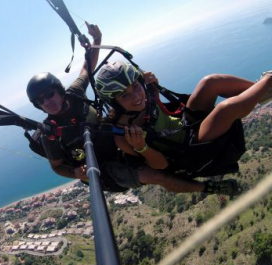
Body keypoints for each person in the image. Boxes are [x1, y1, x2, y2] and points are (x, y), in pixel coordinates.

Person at [26, 25, 241, 195]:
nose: (47, 102)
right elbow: (56, 166)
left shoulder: (74, 94)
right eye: (40, 101)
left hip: (117, 140)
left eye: (49, 94)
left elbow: (87, 69)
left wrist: (97, 41)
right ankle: (209, 188)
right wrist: (74, 172)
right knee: (155, 175)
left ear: (59, 90)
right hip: (105, 166)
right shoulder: (50, 132)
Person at [95, 60, 272, 188]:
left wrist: (153, 84)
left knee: (210, 82)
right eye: (124, 95)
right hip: (189, 149)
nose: (136, 96)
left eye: (135, 86)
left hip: (186, 123)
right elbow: (161, 166)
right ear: (114, 102)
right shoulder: (123, 134)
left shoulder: (147, 94)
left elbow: (160, 106)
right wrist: (141, 147)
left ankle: (263, 91)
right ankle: (268, 81)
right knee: (225, 109)